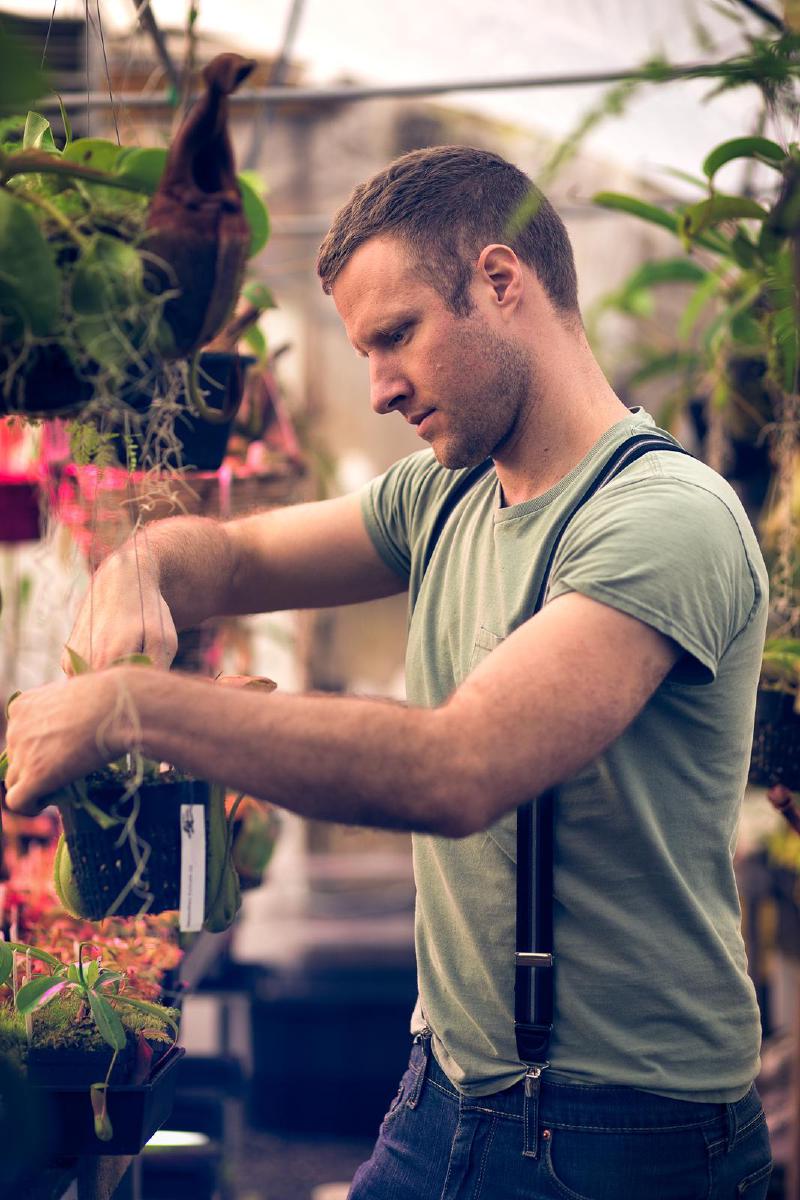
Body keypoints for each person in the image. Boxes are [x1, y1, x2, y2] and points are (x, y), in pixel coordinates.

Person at [4, 146, 773, 1199]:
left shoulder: (658, 521)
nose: (377, 390)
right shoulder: (442, 493)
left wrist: (129, 708)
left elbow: (458, 768)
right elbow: (231, 557)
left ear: (501, 281)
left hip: (619, 1131)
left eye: (396, 336)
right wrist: (139, 566)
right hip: (439, 1091)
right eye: (363, 350)